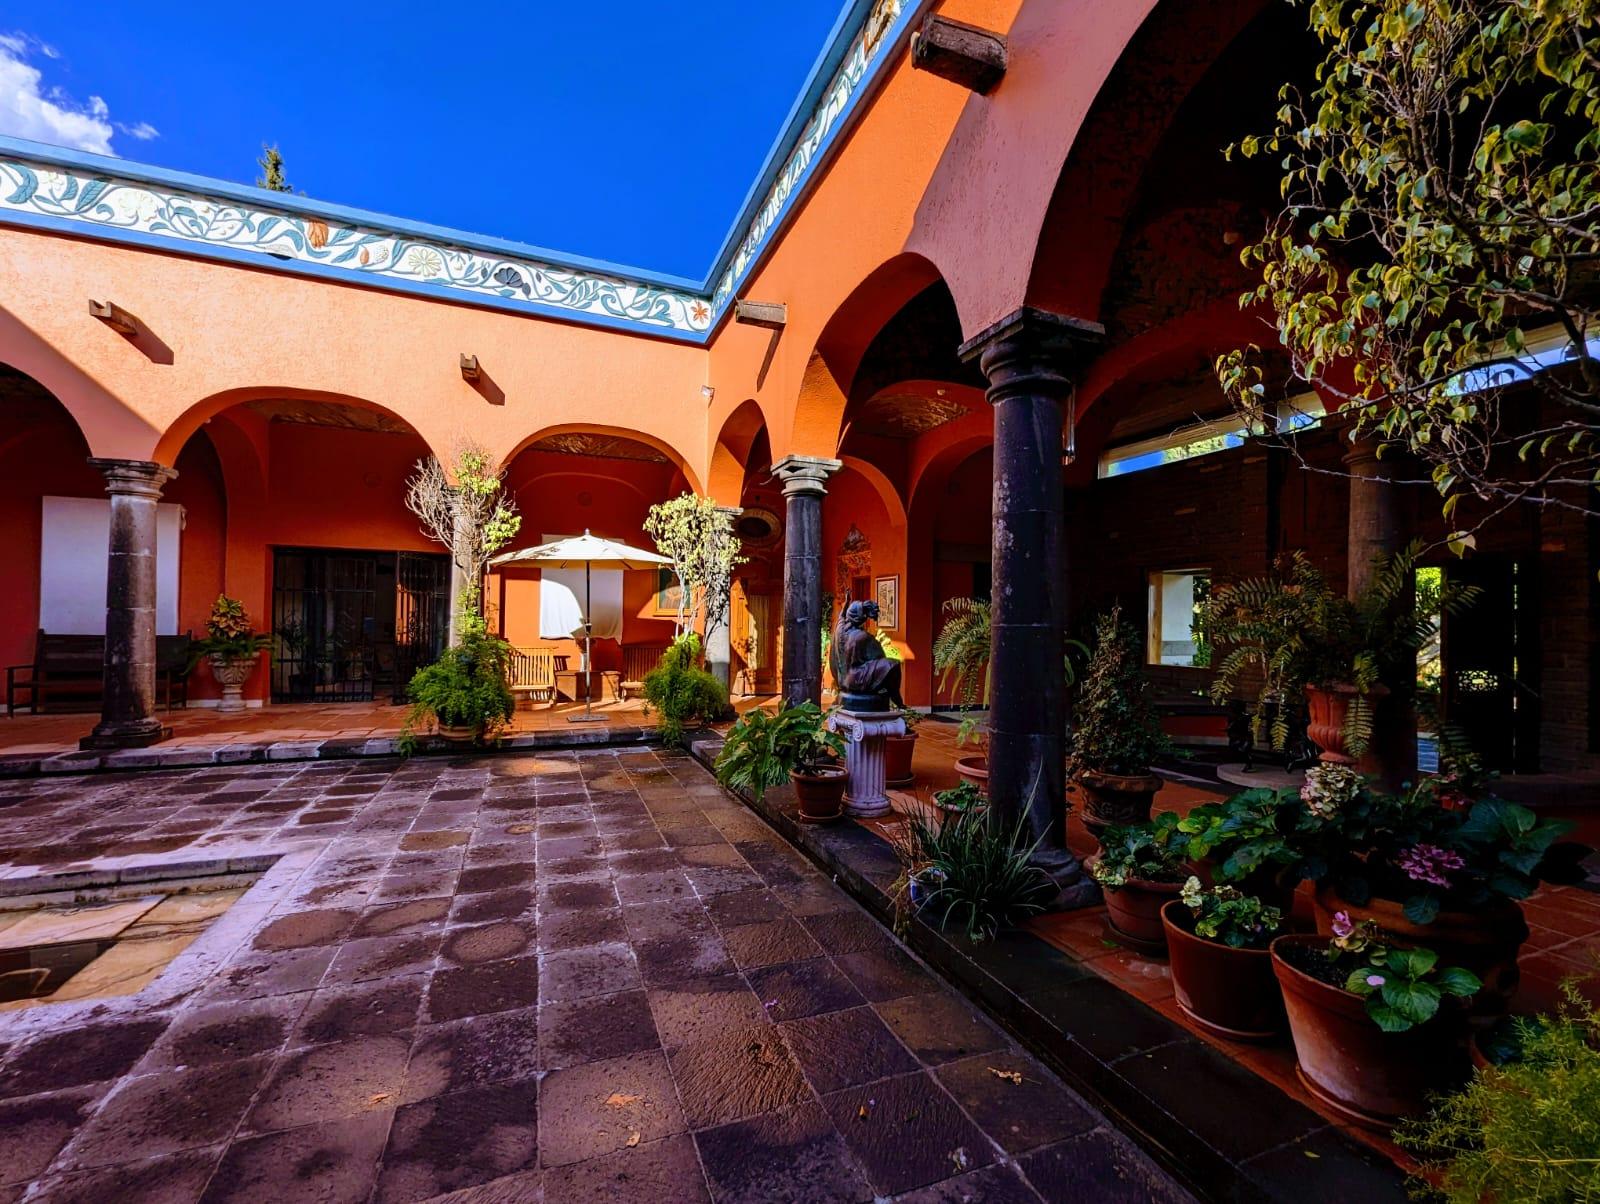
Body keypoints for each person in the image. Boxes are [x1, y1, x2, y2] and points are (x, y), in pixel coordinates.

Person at [830, 599, 904, 711]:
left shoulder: (840, 632)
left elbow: (841, 617)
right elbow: (879, 656)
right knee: (893, 665)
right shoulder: (864, 637)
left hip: (845, 679)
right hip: (857, 679)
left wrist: (846, 603)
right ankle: (897, 700)